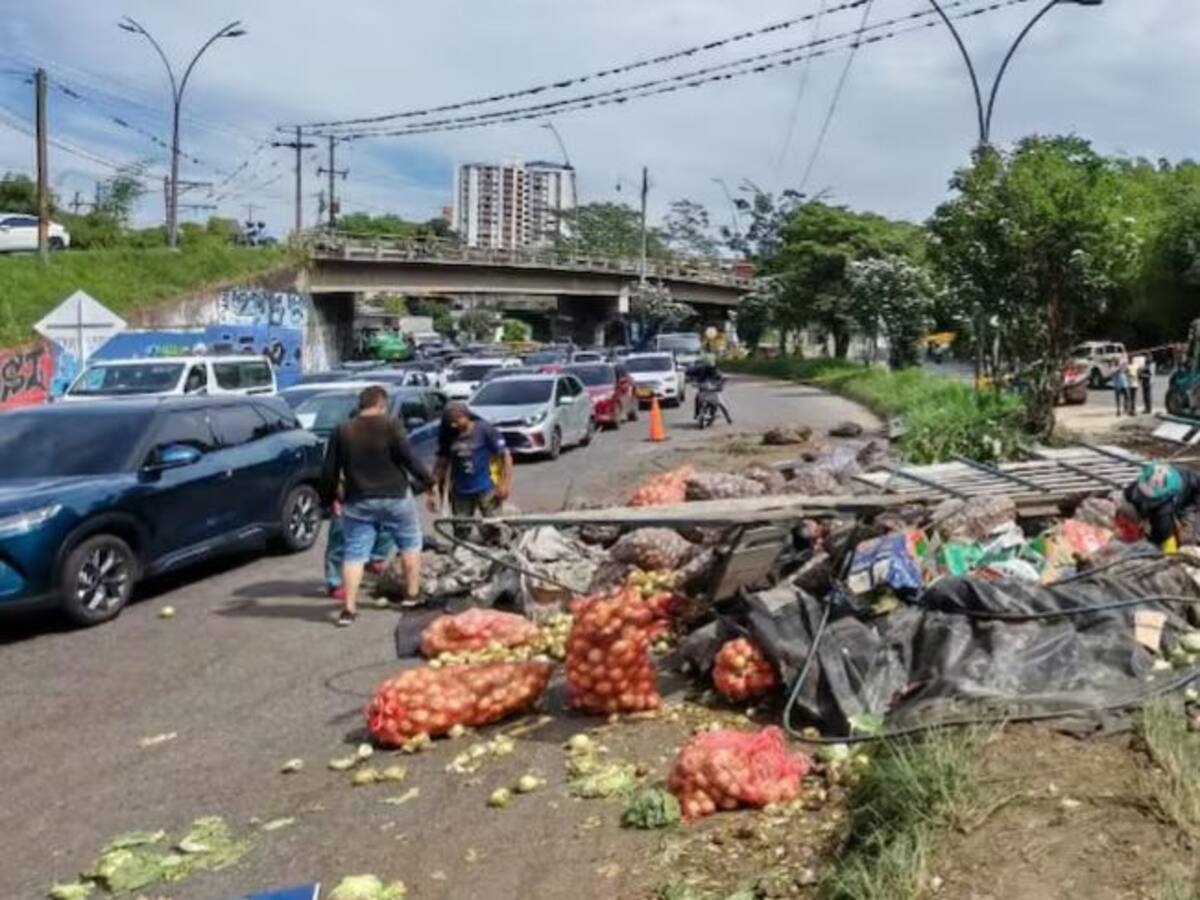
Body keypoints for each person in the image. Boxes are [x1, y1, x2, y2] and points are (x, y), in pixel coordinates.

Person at [321, 386, 433, 626]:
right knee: (410, 544)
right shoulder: (392, 425)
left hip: (358, 499)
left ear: (361, 405)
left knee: (354, 553)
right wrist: (429, 481)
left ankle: (349, 610)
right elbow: (408, 459)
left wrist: (331, 497)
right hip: (395, 496)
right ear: (382, 404)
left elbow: (329, 470)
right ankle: (412, 597)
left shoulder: (342, 430)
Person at [428, 401, 513, 539]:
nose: (453, 425)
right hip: (460, 491)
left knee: (495, 526)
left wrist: (504, 483)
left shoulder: (484, 430)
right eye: (451, 423)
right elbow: (441, 464)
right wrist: (432, 491)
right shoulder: (449, 435)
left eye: (457, 421)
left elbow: (505, 457)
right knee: (461, 530)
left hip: (486, 488)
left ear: (466, 416)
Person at [1122, 463, 1200, 553]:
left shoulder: (1164, 510)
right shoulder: (1133, 490)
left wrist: (1169, 556)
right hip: (1181, 486)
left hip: (1193, 497)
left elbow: (1167, 541)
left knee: (1188, 539)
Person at [691, 355, 733, 424]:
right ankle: (696, 413)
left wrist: (722, 382)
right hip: (704, 391)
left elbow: (722, 378)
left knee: (722, 404)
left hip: (714, 392)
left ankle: (728, 418)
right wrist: (696, 384)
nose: (709, 367)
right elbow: (697, 379)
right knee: (697, 398)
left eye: (710, 365)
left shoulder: (716, 371)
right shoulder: (702, 371)